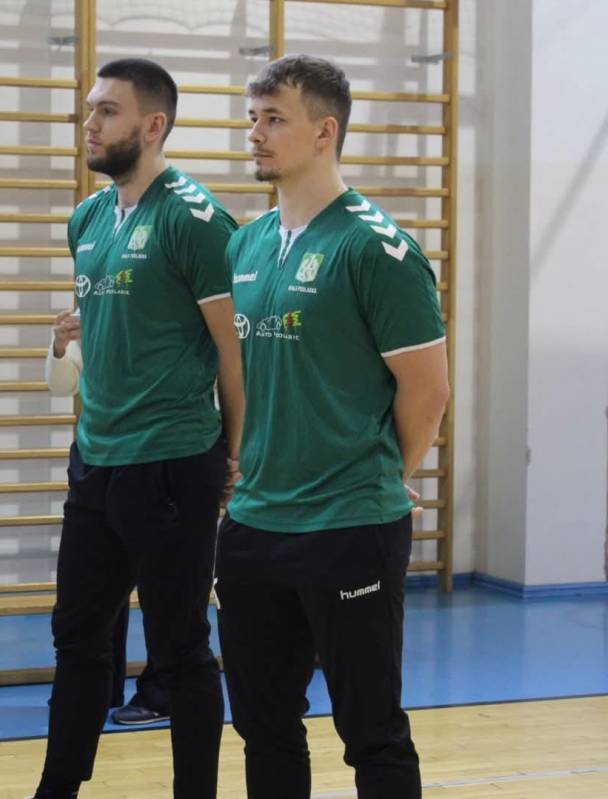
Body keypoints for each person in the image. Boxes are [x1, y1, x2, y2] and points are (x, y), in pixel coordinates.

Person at [215, 54, 450, 799]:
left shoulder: (377, 249)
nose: (255, 134)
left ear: (325, 132)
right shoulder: (247, 243)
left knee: (372, 733)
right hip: (254, 526)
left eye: (273, 119)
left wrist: (379, 476)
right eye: (252, 118)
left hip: (349, 526)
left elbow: (428, 393)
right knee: (263, 727)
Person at [32, 58, 243, 799]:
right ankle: (58, 787)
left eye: (107, 111)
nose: (89, 123)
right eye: (90, 108)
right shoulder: (88, 219)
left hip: (174, 464)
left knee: (180, 649)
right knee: (76, 638)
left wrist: (237, 456)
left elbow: (233, 352)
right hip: (96, 460)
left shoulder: (197, 221)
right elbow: (114, 334)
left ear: (152, 125)